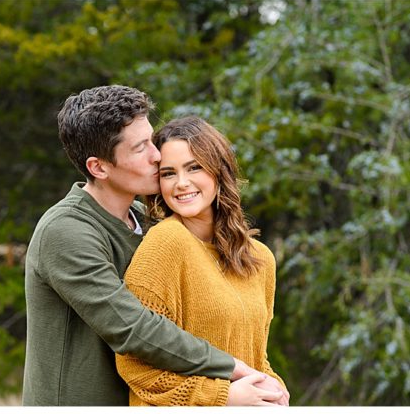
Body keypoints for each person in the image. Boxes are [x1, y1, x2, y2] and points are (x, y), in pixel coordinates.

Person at [23, 86, 287, 406]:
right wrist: (231, 371)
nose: (157, 154)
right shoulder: (66, 232)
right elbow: (134, 328)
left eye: (151, 139)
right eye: (140, 148)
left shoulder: (146, 222)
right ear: (99, 167)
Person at [116, 116, 285, 405]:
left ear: (219, 171)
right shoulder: (165, 244)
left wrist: (274, 387)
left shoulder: (260, 260)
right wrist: (222, 396)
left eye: (194, 167)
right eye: (168, 173)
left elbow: (255, 354)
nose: (181, 184)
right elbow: (135, 365)